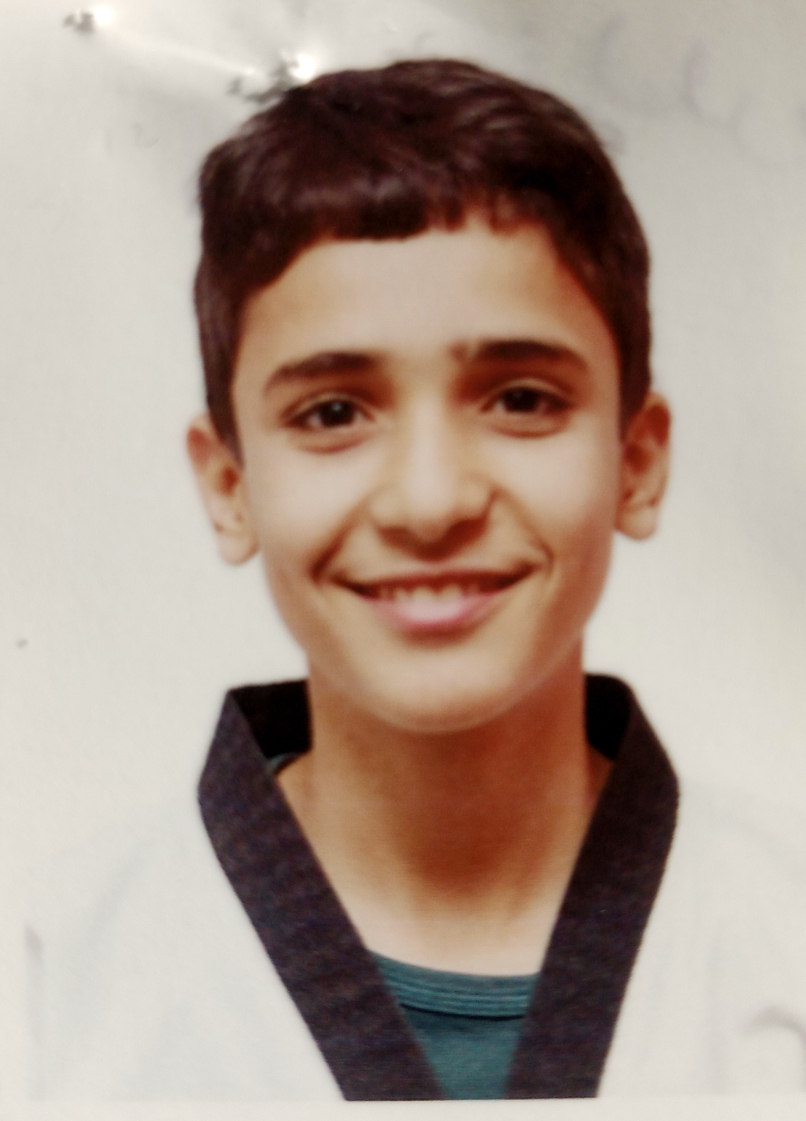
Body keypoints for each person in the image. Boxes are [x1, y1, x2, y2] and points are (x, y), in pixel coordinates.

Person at [29, 58, 806, 1100]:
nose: (430, 501)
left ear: (635, 461)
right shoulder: (48, 987)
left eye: (520, 398)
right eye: (333, 413)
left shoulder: (782, 946)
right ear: (229, 486)